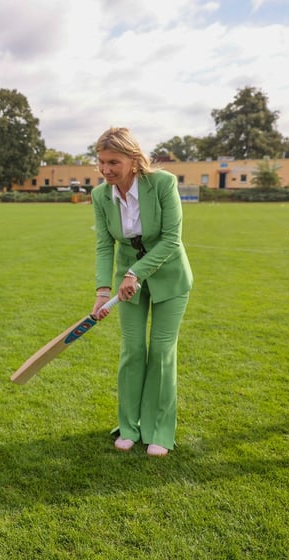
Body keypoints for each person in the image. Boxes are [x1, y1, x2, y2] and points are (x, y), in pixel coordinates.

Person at [91, 127, 193, 458]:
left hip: (170, 278)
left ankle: (159, 430)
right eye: (101, 162)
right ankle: (129, 427)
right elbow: (104, 245)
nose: (105, 170)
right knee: (133, 351)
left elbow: (171, 238)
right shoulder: (100, 196)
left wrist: (136, 272)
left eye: (113, 162)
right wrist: (102, 291)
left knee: (162, 352)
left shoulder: (162, 184)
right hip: (127, 283)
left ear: (134, 160)